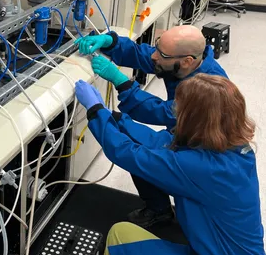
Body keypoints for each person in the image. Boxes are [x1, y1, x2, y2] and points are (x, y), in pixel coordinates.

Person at [73, 74, 266, 255]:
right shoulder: (235, 149)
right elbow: (160, 141)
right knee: (126, 234)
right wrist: (116, 119)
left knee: (119, 240)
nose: (175, 111)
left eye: (179, 108)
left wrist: (94, 111)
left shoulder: (203, 169)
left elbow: (128, 154)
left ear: (194, 118)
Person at [75, 25, 229, 228]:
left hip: (195, 144)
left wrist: (121, 83)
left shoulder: (207, 87)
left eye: (161, 53)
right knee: (135, 139)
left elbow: (163, 112)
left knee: (139, 156)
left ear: (187, 61)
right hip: (182, 133)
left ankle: (168, 212)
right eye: (157, 48)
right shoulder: (184, 61)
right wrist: (110, 42)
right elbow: (144, 55)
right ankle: (159, 209)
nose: (154, 56)